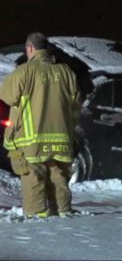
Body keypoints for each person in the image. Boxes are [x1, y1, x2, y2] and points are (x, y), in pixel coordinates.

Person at [0, 32, 81, 218]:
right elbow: (76, 105)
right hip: (62, 140)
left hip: (33, 142)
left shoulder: (24, 71)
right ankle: (63, 218)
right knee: (59, 180)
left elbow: (6, 96)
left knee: (34, 183)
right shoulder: (66, 72)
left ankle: (38, 222)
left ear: (30, 48)